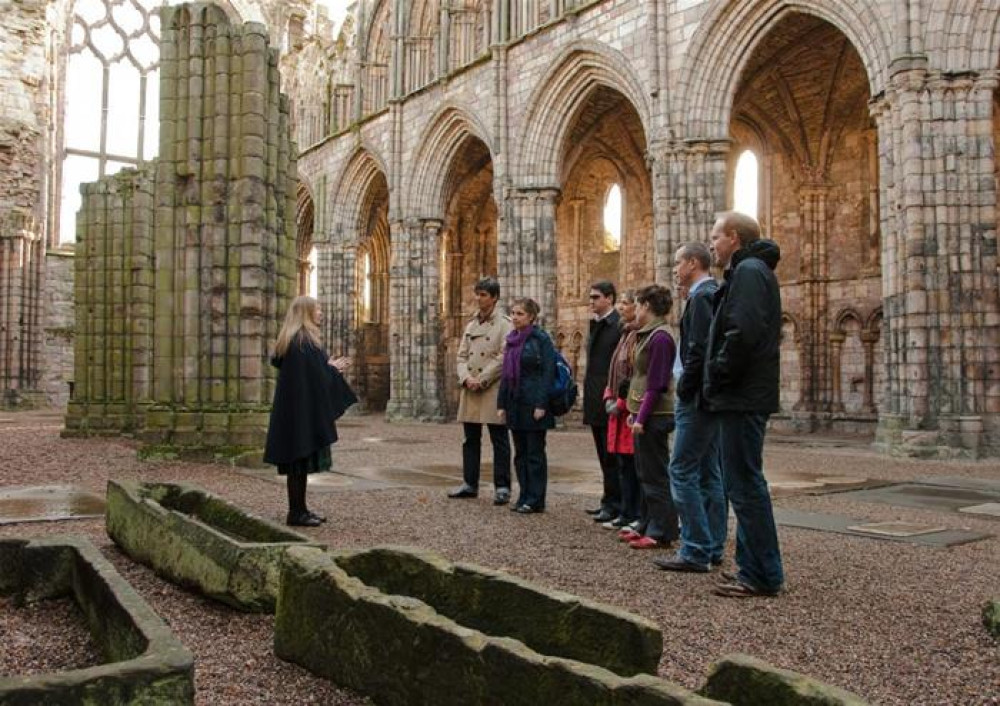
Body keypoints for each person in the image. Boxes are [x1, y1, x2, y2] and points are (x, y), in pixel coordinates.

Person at [703, 211, 784, 598]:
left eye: (715, 237)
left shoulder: (749, 271)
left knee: (746, 485)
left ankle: (763, 574)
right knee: (743, 484)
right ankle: (754, 568)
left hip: (741, 394)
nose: (712, 244)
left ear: (734, 237)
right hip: (742, 393)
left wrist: (718, 374)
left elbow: (743, 332)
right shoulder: (750, 270)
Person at [654, 243, 727, 573]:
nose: (674, 268)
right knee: (709, 472)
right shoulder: (711, 294)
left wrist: (685, 386)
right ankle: (711, 544)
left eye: (678, 261)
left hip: (695, 398)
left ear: (693, 263)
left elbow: (698, 350)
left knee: (681, 470)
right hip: (706, 396)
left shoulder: (701, 297)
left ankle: (696, 548)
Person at [264, 296, 357, 527]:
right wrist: (332, 370)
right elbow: (316, 377)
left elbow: (310, 375)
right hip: (300, 414)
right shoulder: (303, 342)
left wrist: (327, 368)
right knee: (298, 463)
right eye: (318, 310)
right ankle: (296, 513)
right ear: (306, 313)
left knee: (299, 464)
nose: (321, 313)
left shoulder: (296, 341)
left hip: (295, 412)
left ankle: (300, 509)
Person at [623, 284, 679, 549]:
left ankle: (661, 531)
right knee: (644, 471)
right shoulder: (649, 334)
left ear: (646, 306)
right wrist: (634, 413)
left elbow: (656, 383)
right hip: (645, 412)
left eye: (637, 303)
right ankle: (646, 522)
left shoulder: (661, 337)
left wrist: (642, 418)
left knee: (656, 473)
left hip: (656, 415)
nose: (635, 309)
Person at [448, 277, 513, 504]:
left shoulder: (505, 324)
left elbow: (504, 356)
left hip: (491, 387)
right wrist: (466, 377)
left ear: (494, 297)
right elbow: (461, 356)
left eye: (483, 294)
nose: (478, 298)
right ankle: (469, 483)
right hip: (471, 387)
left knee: (499, 439)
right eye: (477, 294)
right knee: (470, 438)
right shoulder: (471, 324)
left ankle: (503, 486)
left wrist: (483, 378)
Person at [497, 298, 555, 514]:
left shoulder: (541, 339)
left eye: (520, 313)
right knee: (520, 453)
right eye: (513, 313)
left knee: (534, 453)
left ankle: (536, 498)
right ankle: (523, 494)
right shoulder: (511, 340)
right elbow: (506, 374)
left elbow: (548, 372)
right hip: (515, 402)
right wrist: (501, 403)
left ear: (531, 316)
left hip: (534, 403)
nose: (514, 317)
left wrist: (542, 403)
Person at [583, 281, 622, 523]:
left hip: (608, 397)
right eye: (590, 297)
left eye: (596, 297)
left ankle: (616, 504)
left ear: (609, 298)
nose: (591, 301)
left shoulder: (616, 326)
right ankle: (608, 501)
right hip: (596, 395)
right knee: (603, 453)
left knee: (612, 456)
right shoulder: (598, 325)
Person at [602, 290, 641, 533]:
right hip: (617, 407)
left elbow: (637, 376)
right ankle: (626, 512)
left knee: (633, 465)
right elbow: (615, 370)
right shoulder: (624, 334)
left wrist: (623, 403)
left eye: (626, 303)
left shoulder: (638, 336)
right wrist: (609, 396)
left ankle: (634, 513)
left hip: (629, 409)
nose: (621, 307)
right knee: (623, 464)